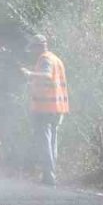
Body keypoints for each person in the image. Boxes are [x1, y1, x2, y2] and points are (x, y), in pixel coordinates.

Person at [19, 34, 69, 185]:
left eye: (33, 48)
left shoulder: (45, 59)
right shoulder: (56, 59)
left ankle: (49, 177)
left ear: (39, 46)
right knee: (52, 142)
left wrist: (29, 74)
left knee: (45, 142)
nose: (32, 52)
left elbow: (47, 76)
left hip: (46, 108)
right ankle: (50, 175)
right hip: (57, 108)